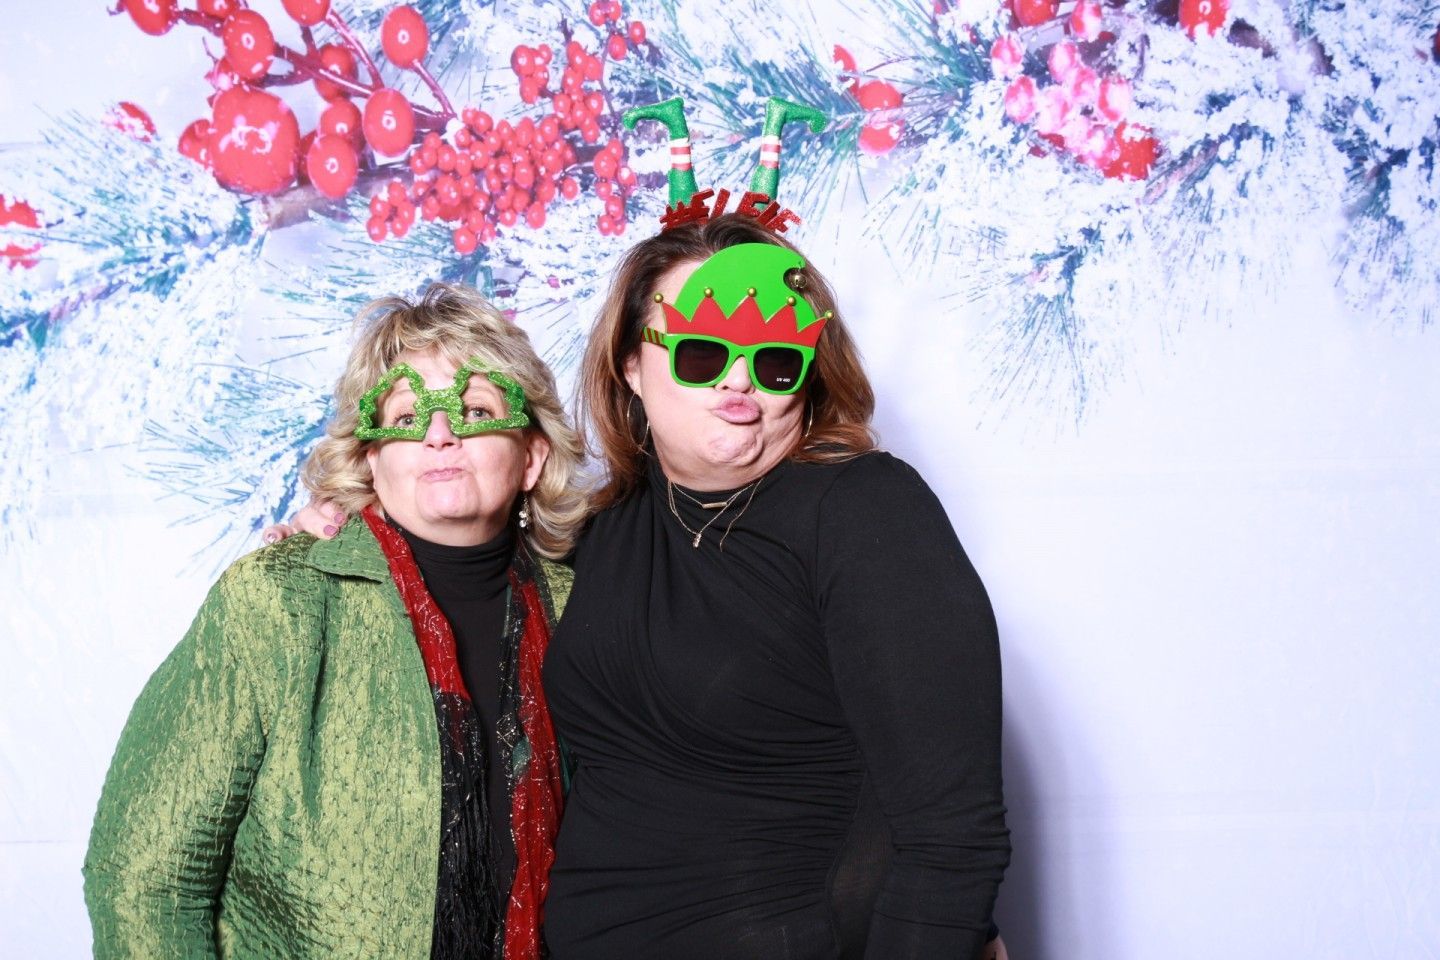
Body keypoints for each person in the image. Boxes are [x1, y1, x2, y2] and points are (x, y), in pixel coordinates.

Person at [532, 210, 1011, 960]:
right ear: (631, 362)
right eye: (699, 353)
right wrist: (340, 510)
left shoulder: (864, 512)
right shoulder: (599, 531)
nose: (736, 383)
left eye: (774, 361)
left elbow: (953, 835)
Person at [83, 283, 585, 960]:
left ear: (533, 456)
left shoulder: (585, 609)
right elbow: (143, 875)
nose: (440, 435)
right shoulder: (280, 599)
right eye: (407, 416)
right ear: (372, 458)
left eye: (474, 410)